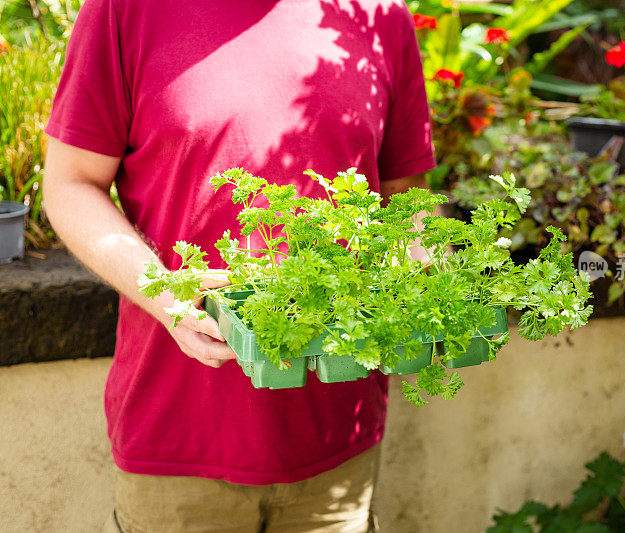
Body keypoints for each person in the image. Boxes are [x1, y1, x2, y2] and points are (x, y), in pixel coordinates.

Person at [42, 0, 436, 531]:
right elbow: (71, 184)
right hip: (179, 440)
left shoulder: (379, 13)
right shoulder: (124, 10)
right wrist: (166, 293)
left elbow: (405, 198)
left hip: (336, 440)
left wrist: (421, 260)